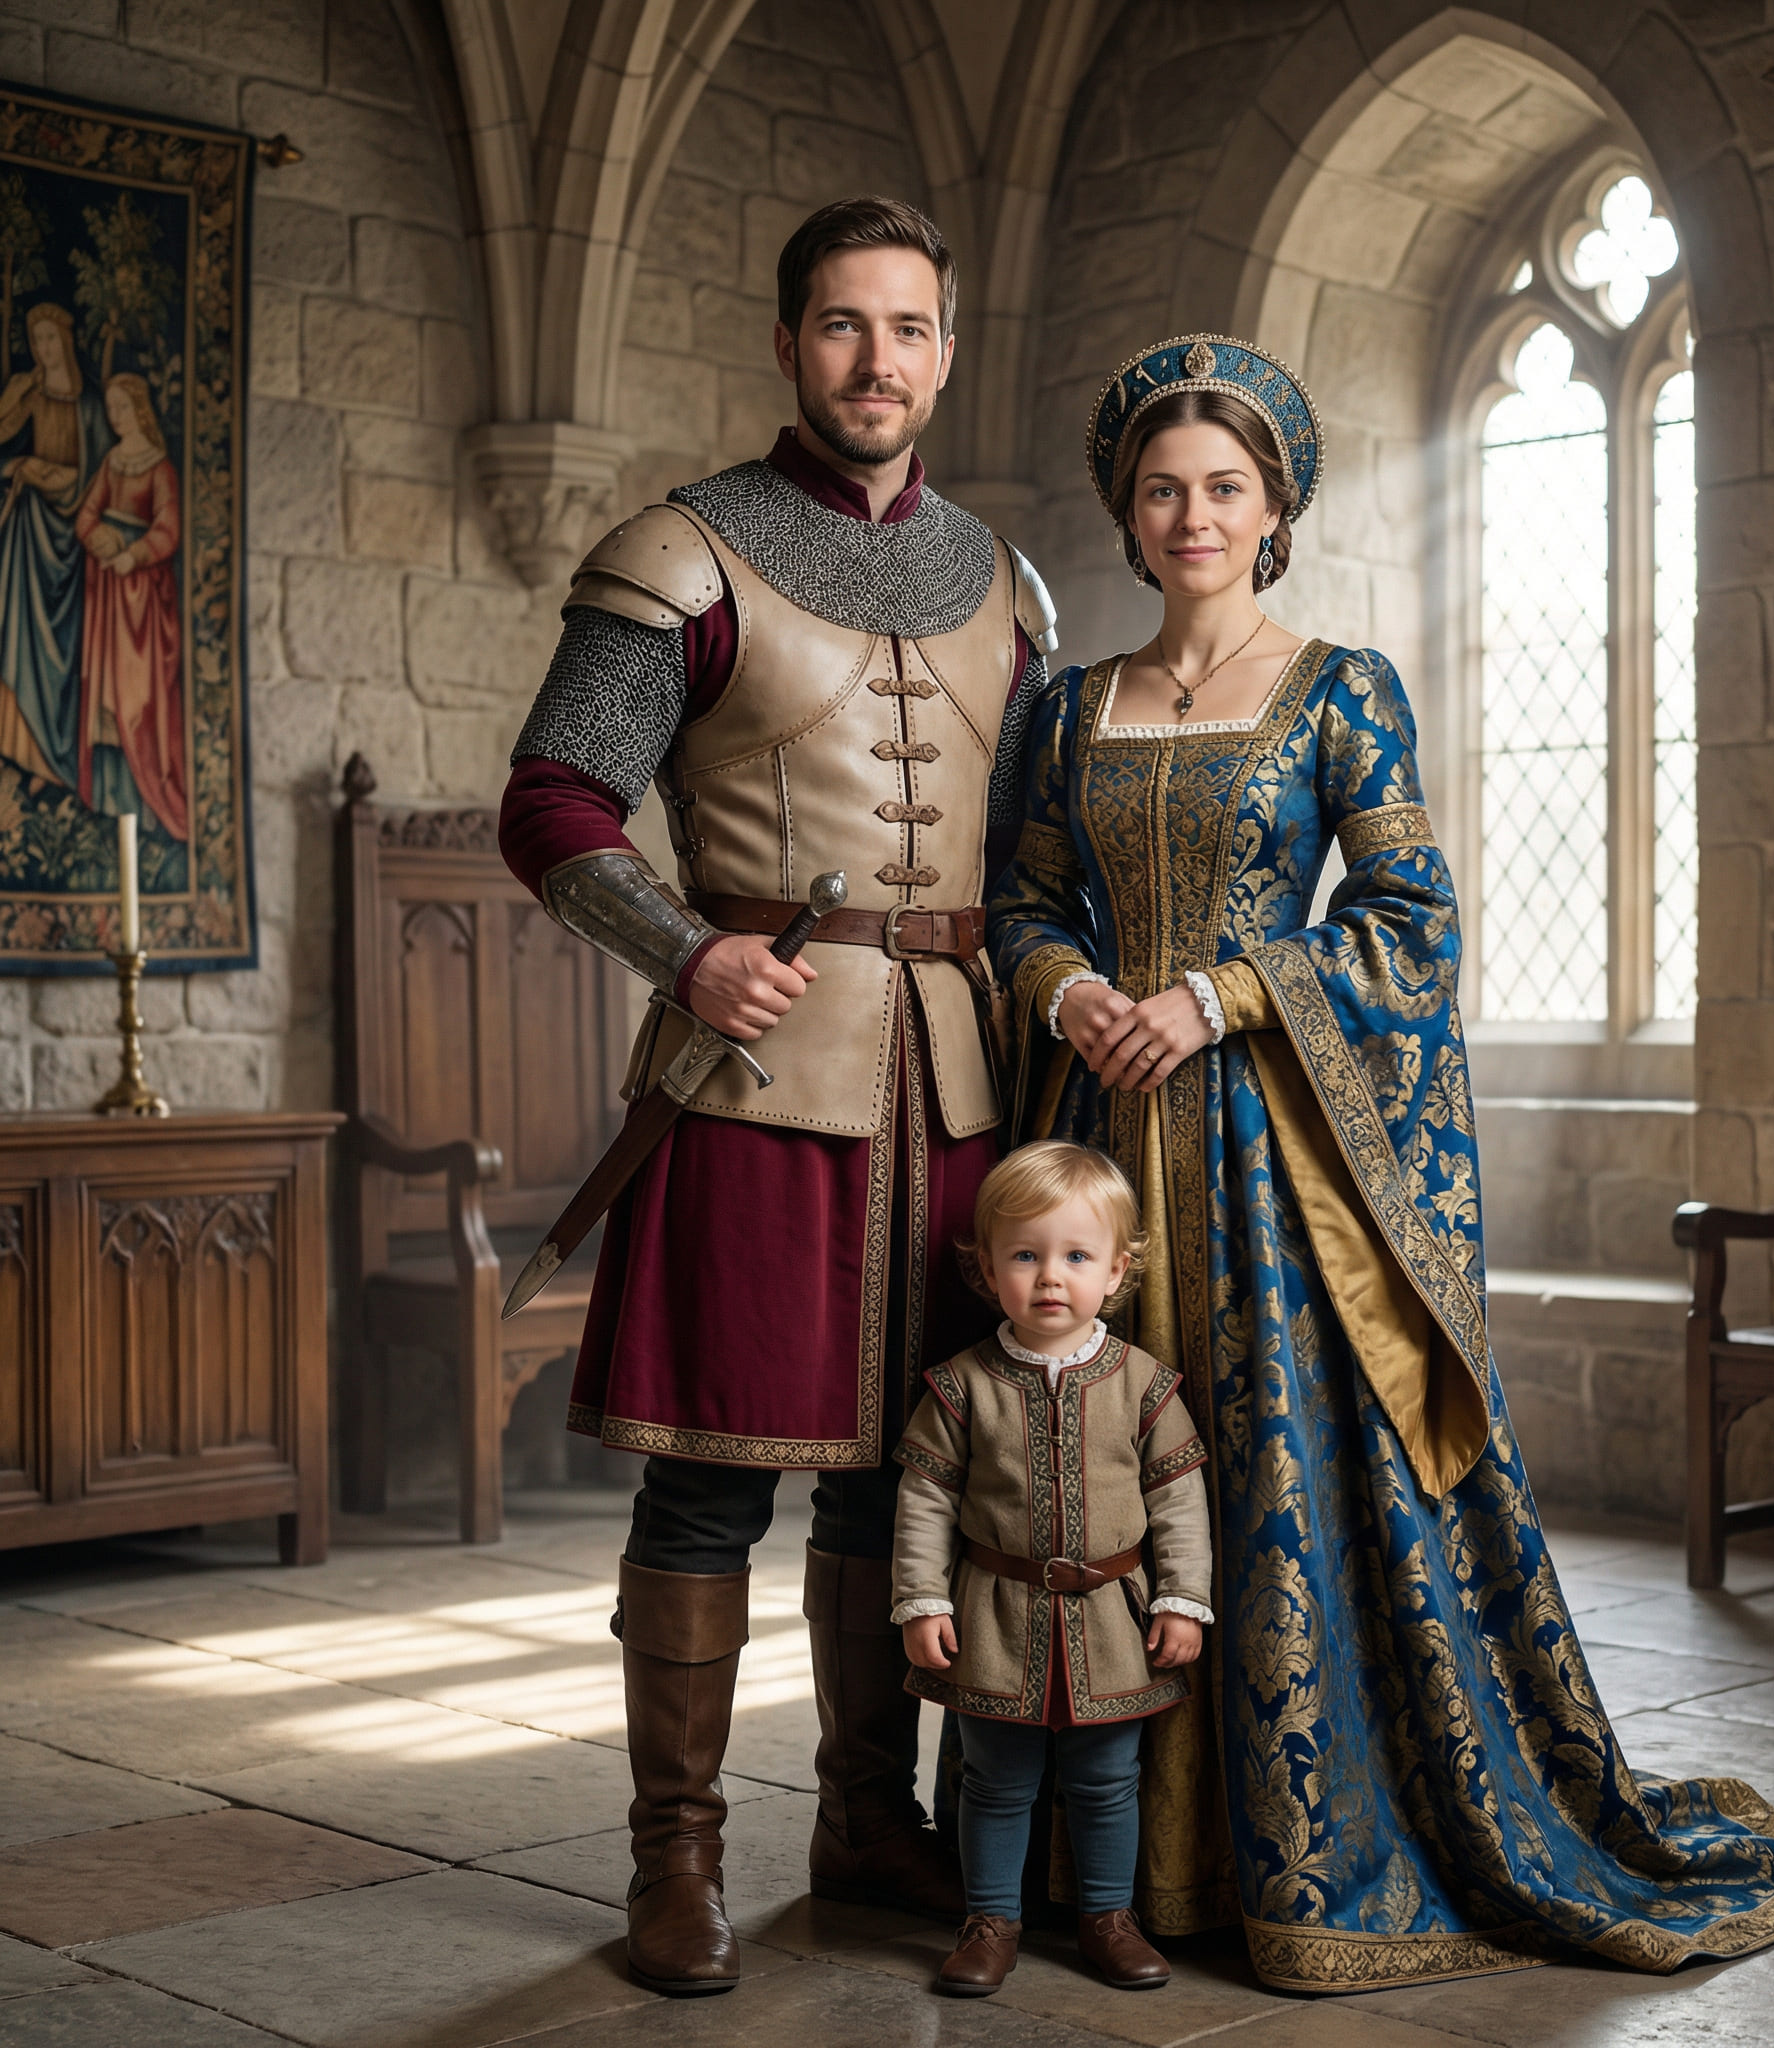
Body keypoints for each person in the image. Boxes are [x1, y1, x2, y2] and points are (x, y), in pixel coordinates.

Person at [988, 334, 1774, 1993]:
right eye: (1162, 489)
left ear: (1274, 507)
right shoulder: (1063, 705)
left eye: (1222, 489)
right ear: (1124, 505)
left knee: (1265, 1482)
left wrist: (1219, 992)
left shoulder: (1338, 689)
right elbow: (1019, 902)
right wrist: (1077, 988)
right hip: (1101, 1148)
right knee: (1093, 1479)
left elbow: (1410, 928)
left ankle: (1296, 1858)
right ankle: (1102, 1868)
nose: (1191, 515)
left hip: (1272, 1159)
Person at [498, 195, 1057, 1997]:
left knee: (896, 1478)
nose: (873, 360)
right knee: (711, 1487)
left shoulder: (1009, 585)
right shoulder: (677, 553)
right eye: (838, 325)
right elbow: (556, 804)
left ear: (945, 352)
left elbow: (1040, 841)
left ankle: (863, 1818)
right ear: (787, 342)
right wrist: (682, 952)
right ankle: (676, 1859)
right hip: (755, 1078)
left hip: (957, 1087)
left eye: (905, 328)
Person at [890, 1141, 1212, 1997]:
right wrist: (921, 1601)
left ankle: (1108, 1917)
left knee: (1107, 1782)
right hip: (995, 1617)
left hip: (1113, 1622)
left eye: (1075, 1256)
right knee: (995, 1780)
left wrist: (1182, 1599)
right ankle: (991, 1922)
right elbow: (924, 1501)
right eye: (1024, 1256)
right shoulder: (960, 1387)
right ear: (987, 1268)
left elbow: (1179, 1503)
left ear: (1116, 1271)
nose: (1048, 1278)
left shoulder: (1144, 1385)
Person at [0, 302, 108, 792]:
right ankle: (20, 748)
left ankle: (53, 757)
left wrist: (39, 473)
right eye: (35, 339)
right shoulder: (35, 394)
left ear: (63, 341)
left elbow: (99, 480)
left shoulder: (90, 406)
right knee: (17, 633)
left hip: (71, 536)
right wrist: (14, 393)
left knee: (62, 650)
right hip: (30, 529)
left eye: (49, 338)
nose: (42, 348)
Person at [75, 371, 186, 838]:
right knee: (104, 698)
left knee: (136, 699)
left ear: (140, 410)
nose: (113, 416)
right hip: (107, 593)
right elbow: (86, 512)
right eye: (110, 409)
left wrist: (133, 554)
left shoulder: (159, 467)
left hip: (140, 597)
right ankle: (111, 804)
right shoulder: (112, 461)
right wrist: (96, 536)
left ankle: (146, 803)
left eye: (121, 408)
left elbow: (168, 530)